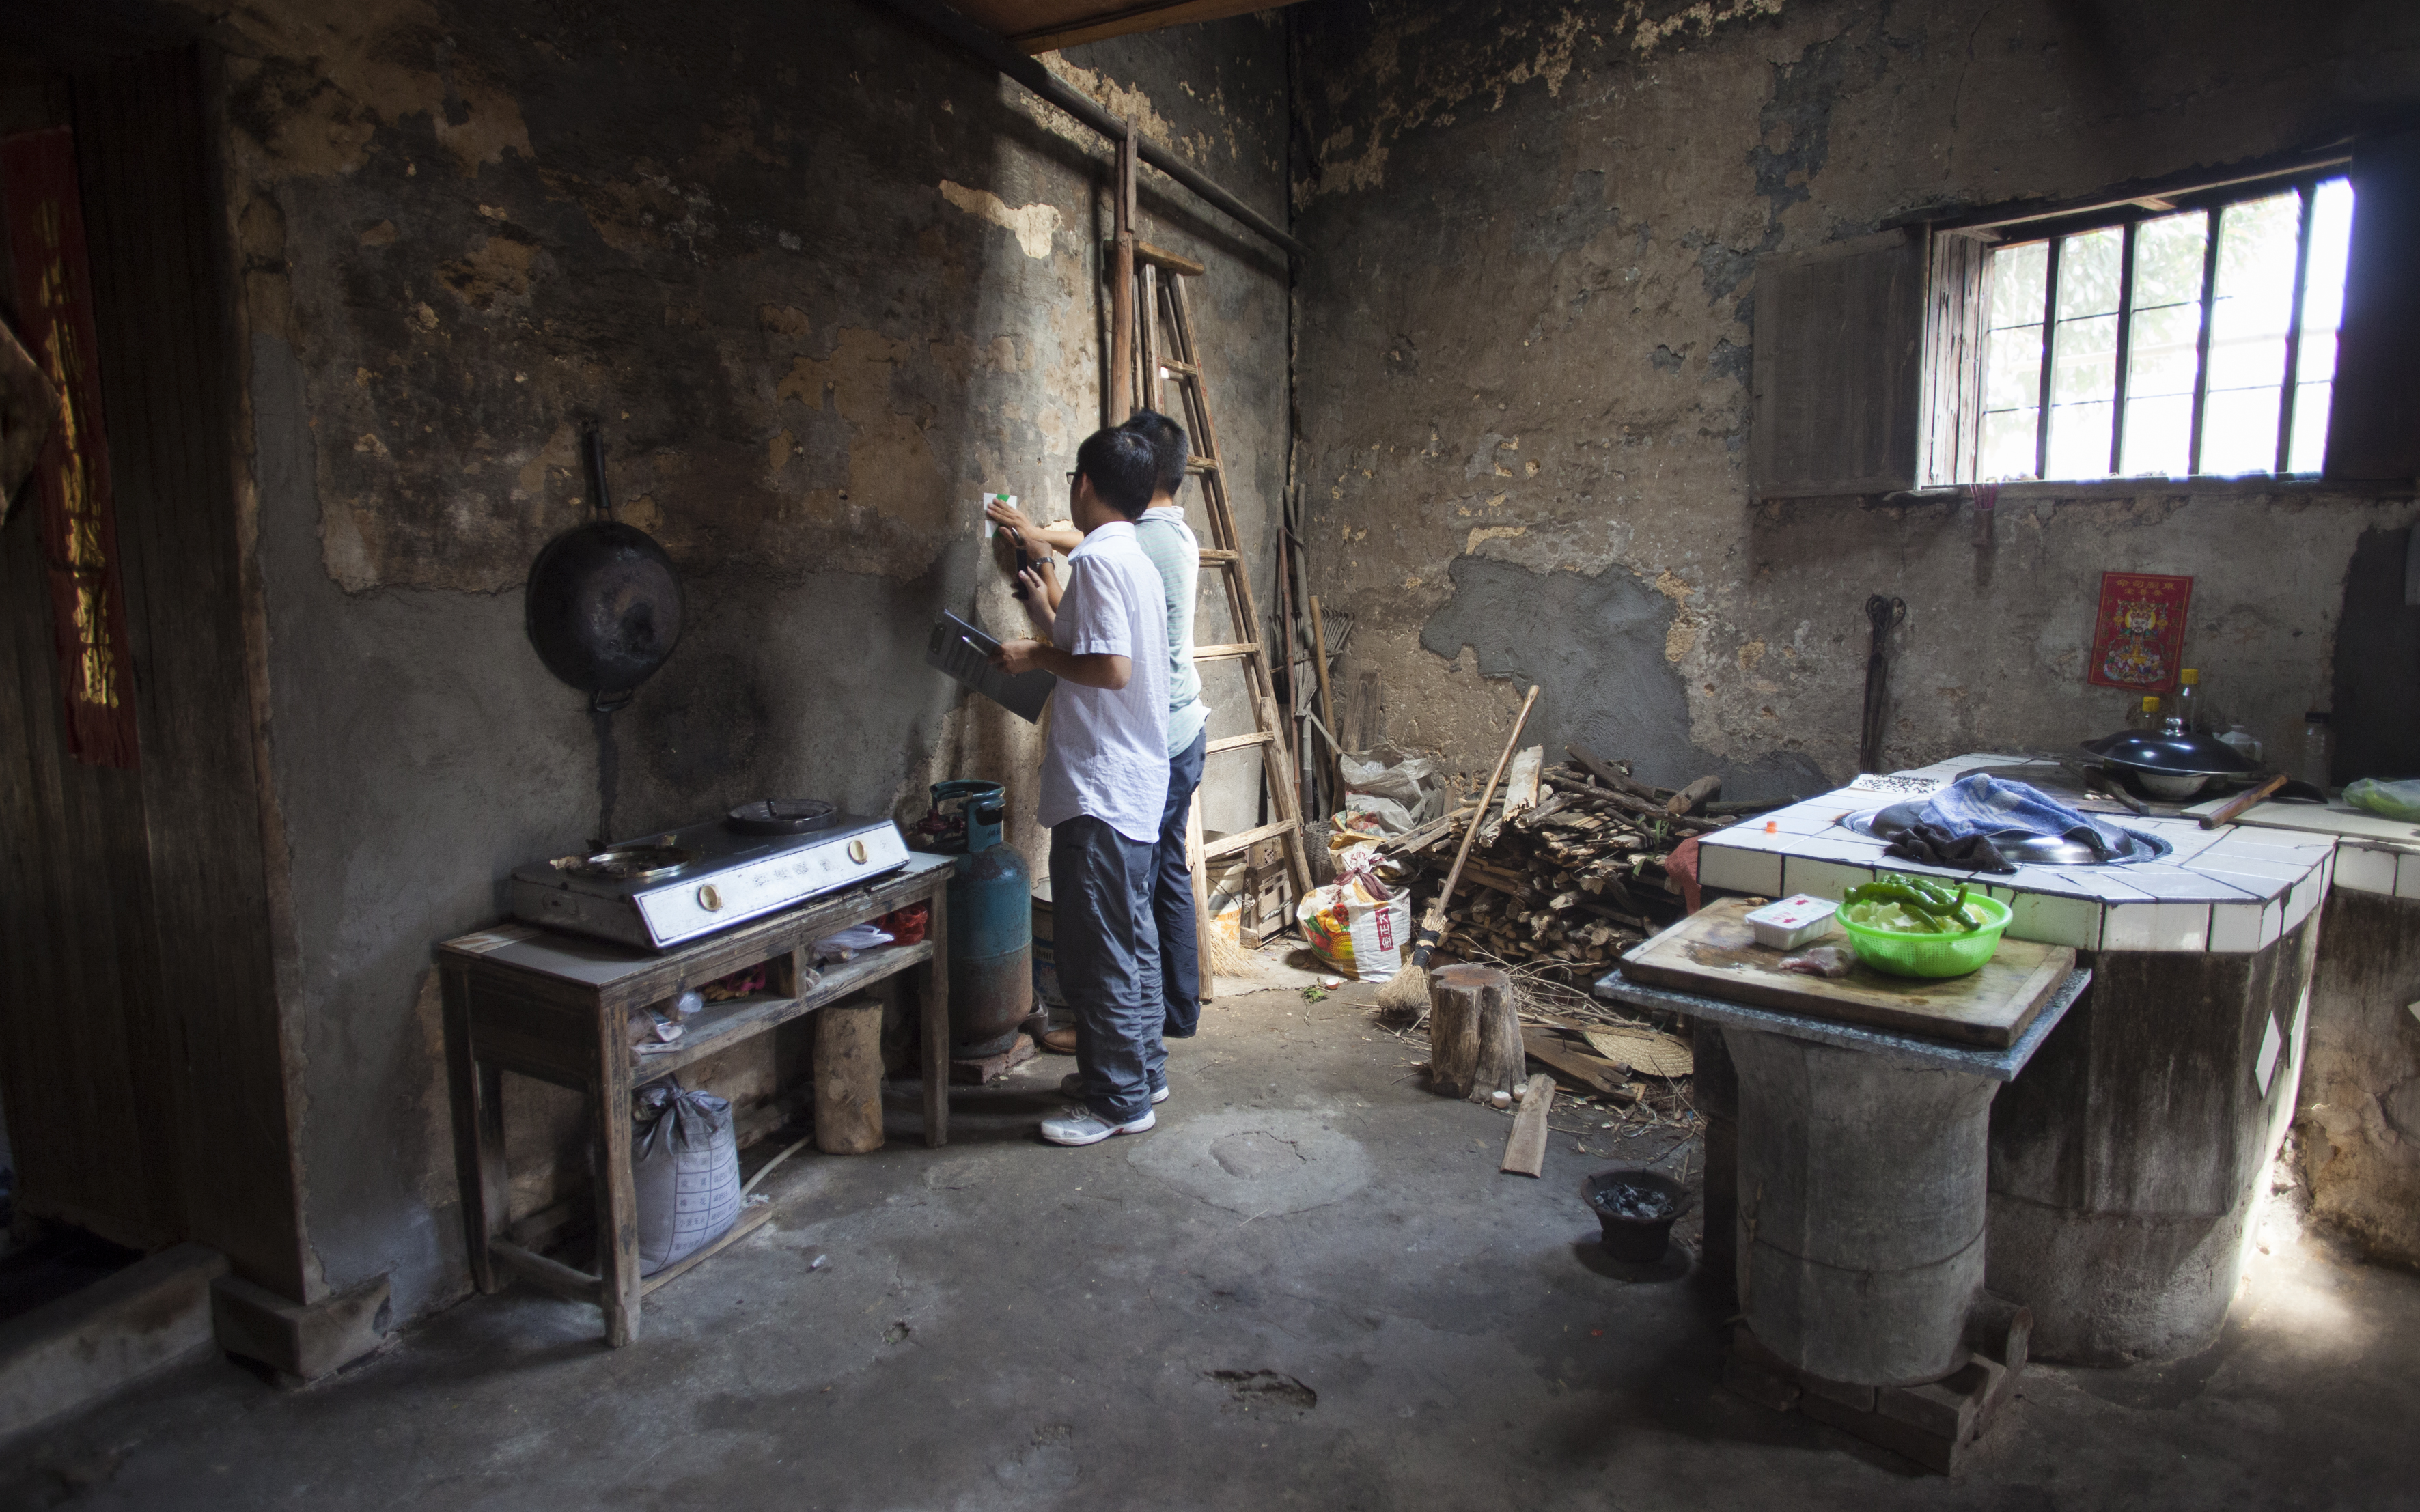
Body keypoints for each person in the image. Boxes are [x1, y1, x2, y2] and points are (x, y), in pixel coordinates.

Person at [988, 410, 1206, 1052]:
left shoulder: (1125, 552)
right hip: (1140, 756)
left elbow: (1109, 665)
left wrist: (1033, 654)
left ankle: (1119, 1081)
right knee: (1132, 918)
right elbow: (1094, 633)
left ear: (1085, 482)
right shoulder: (1136, 549)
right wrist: (1046, 592)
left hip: (1115, 773)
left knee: (1112, 930)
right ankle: (1142, 1058)